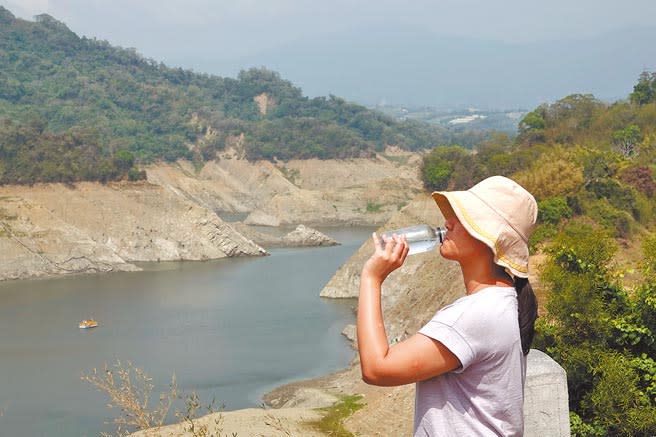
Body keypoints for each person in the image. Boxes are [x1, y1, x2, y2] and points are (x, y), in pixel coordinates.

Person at [357, 175, 539, 436]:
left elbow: (376, 369)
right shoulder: (503, 302)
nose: (448, 223)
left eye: (464, 218)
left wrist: (371, 278)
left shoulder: (477, 314)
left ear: (489, 239)